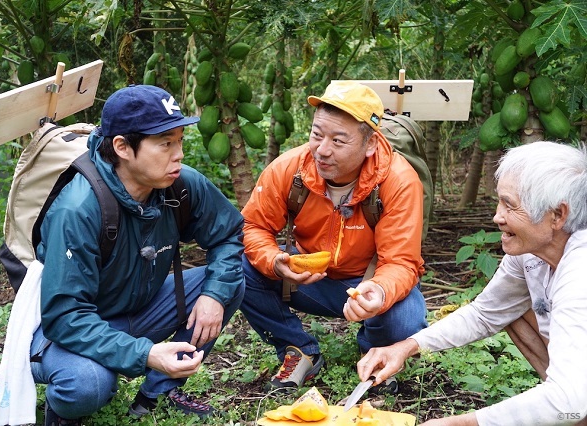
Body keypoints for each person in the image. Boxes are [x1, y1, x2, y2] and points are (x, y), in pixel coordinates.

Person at [30, 85, 245, 424]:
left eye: (179, 141)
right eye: (165, 143)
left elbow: (229, 236)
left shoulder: (180, 185)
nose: (179, 154)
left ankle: (156, 395)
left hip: (138, 308)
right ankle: (62, 414)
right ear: (122, 147)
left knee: (224, 282)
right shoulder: (79, 210)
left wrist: (215, 297)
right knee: (87, 384)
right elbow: (65, 316)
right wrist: (146, 353)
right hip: (66, 328)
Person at [358, 141, 587, 425]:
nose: (497, 216)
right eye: (499, 201)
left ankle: (569, 410)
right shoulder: (531, 250)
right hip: (576, 394)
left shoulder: (580, 270)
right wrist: (406, 346)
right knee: (511, 310)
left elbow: (572, 399)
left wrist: (466, 422)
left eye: (510, 206)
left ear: (557, 215)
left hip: (575, 396)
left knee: (571, 400)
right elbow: (485, 313)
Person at [240, 81, 428, 392]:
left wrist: (379, 292)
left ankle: (375, 351)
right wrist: (276, 262)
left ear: (369, 144)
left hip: (370, 280)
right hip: (310, 280)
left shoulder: (399, 180)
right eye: (317, 135)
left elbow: (401, 261)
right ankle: (298, 350)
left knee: (404, 320)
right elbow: (254, 227)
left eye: (339, 141)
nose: (322, 150)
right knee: (238, 267)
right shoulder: (290, 169)